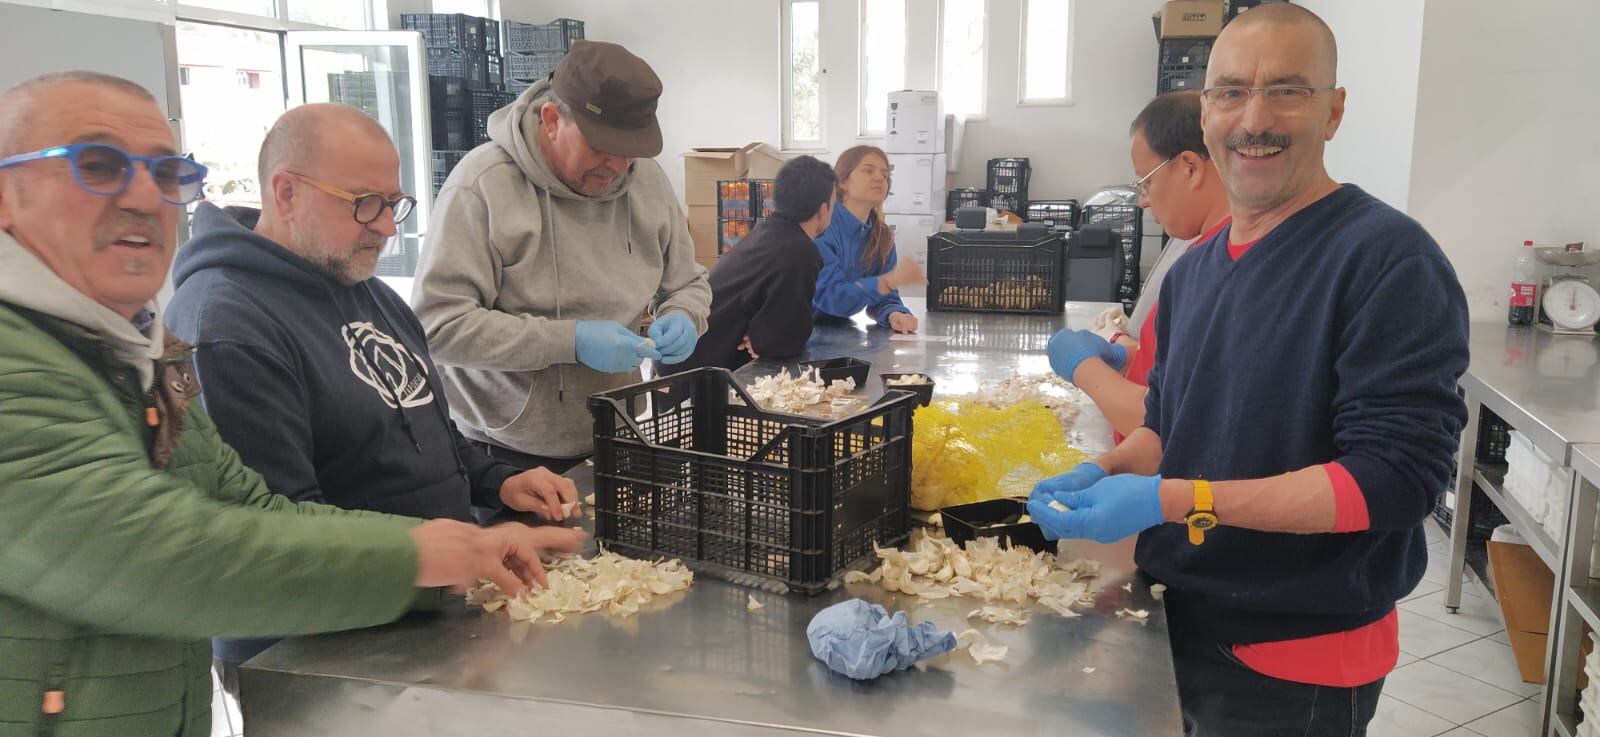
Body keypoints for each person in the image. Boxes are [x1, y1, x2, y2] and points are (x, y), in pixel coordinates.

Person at [0, 71, 584, 736]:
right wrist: (436, 556)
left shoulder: (139, 346)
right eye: (96, 165)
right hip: (323, 655)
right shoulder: (207, 322)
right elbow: (164, 554)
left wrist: (473, 523)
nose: (142, 195)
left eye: (165, 173)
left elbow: (250, 504)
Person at [1028, 6, 1470, 735]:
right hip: (1184, 611)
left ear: (1333, 111)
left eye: (1287, 91)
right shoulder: (1196, 270)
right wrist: (1106, 470)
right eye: (1230, 92)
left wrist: (1173, 499)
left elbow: (1395, 480)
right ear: (1205, 113)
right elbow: (1169, 427)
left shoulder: (1387, 260)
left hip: (1299, 652)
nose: (1253, 118)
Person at [164, 103, 585, 692]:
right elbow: (278, 535)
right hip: (315, 656)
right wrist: (451, 557)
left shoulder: (370, 292)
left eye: (394, 203)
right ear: (285, 194)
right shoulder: (229, 324)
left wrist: (495, 480)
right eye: (364, 203)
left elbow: (424, 428)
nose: (388, 226)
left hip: (425, 611)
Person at [412, 40, 711, 474]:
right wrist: (569, 341)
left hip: (617, 428)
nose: (617, 166)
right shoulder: (482, 188)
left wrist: (685, 313)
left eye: (630, 151)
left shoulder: (646, 181)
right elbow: (438, 326)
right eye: (601, 148)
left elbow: (688, 282)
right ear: (552, 120)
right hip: (505, 451)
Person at [1046, 91, 1231, 439]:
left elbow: (1169, 423)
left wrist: (1084, 368)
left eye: (1146, 181)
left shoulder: (1221, 268)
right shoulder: (1197, 250)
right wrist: (1130, 357)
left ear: (1190, 167)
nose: (1143, 201)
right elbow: (1181, 373)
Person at [664, 155, 835, 373]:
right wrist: (765, 340)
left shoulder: (769, 231)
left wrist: (764, 338)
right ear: (823, 209)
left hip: (678, 358)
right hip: (693, 376)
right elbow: (784, 339)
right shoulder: (799, 251)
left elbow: (774, 330)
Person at [812, 145, 925, 334]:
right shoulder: (822, 228)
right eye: (868, 170)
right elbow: (832, 298)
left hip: (834, 335)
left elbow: (885, 299)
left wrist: (894, 314)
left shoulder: (882, 237)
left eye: (885, 174)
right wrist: (887, 281)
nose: (880, 178)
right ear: (843, 182)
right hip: (788, 333)